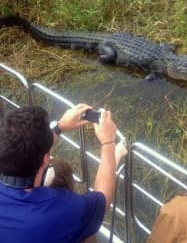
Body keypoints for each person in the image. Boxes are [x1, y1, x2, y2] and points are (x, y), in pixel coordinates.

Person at [0, 104, 127, 243]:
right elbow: (103, 199)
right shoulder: (58, 210)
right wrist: (108, 142)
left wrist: (60, 127)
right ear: (46, 159)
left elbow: (23, 147)